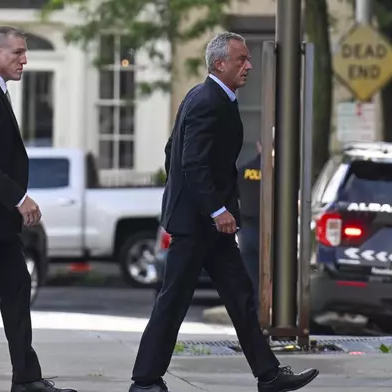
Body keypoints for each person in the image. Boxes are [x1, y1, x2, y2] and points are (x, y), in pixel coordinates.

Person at [128, 32, 319, 392]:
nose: (248, 66)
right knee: (173, 302)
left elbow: (174, 153)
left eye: (247, 59)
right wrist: (215, 208)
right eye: (241, 60)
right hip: (198, 224)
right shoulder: (207, 101)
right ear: (220, 64)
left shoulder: (212, 97)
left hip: (211, 226)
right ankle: (144, 381)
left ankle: (269, 375)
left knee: (240, 298)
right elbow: (191, 160)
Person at [0, 27, 76, 392]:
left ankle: (27, 379)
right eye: (18, 53)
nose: (25, 59)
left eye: (25, 53)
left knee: (18, 290)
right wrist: (18, 199)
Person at [236, 141, 262, 307]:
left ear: (259, 146)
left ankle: (255, 316)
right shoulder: (280, 172)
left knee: (252, 278)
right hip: (272, 231)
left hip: (248, 229)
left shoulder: (244, 170)